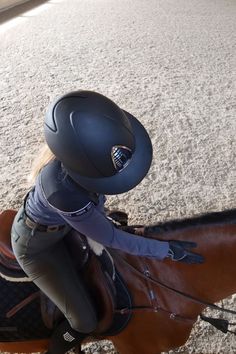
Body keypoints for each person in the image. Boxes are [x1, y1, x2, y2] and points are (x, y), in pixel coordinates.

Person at [11, 90, 203, 354]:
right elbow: (111, 238)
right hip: (38, 246)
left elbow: (98, 201)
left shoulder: (76, 159)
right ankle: (55, 350)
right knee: (83, 320)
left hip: (64, 224)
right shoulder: (64, 193)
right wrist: (165, 249)